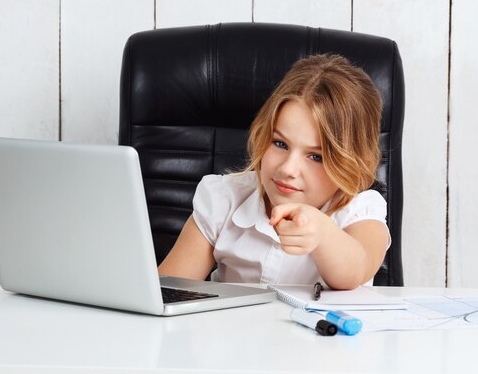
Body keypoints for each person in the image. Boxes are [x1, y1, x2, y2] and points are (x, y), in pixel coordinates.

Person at [158, 54, 389, 289]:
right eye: (280, 144)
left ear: (352, 162)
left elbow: (356, 270)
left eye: (316, 157)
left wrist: (323, 235)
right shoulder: (223, 198)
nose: (288, 169)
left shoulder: (360, 209)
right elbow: (164, 292)